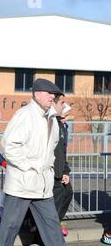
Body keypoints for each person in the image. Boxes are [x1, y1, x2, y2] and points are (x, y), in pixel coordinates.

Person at [0, 78, 82, 246]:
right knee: (10, 223)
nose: (53, 97)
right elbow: (8, 145)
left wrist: (54, 171)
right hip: (23, 181)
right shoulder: (25, 115)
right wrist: (28, 167)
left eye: (54, 95)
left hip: (43, 183)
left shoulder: (50, 117)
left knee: (51, 224)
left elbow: (53, 149)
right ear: (37, 94)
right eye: (50, 94)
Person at [52, 95, 74, 236]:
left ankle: (55, 223)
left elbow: (62, 152)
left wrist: (65, 171)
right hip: (51, 171)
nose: (67, 116)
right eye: (62, 103)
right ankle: (47, 229)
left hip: (60, 169)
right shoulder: (54, 124)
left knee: (68, 192)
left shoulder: (62, 126)